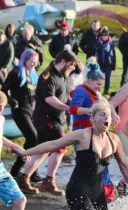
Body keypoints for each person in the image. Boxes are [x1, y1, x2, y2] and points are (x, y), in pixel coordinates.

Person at [15, 99, 128, 210]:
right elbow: (53, 144)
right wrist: (25, 152)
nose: (107, 118)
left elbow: (124, 166)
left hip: (98, 194)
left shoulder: (114, 139)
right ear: (92, 118)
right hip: (78, 191)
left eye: (109, 115)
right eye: (103, 114)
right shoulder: (83, 135)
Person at [16, 50, 77, 196]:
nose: (72, 67)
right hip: (46, 119)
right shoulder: (47, 76)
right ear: (62, 61)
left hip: (57, 118)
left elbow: (65, 94)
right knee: (60, 147)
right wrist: (68, 108)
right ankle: (48, 181)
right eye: (70, 64)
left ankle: (23, 178)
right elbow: (50, 99)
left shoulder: (63, 76)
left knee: (42, 151)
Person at [2, 49, 42, 182]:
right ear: (24, 60)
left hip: (31, 110)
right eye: (31, 62)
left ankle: (30, 172)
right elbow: (3, 90)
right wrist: (11, 100)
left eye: (35, 62)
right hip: (19, 111)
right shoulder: (16, 72)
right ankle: (17, 170)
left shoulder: (33, 73)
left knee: (32, 140)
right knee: (34, 138)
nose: (33, 65)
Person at [0, 91, 28, 210]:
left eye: (2, 107)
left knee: (20, 200)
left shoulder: (1, 119)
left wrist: (14, 145)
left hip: (0, 170)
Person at [70, 62, 103, 131]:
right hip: (81, 130)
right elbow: (73, 109)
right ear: (90, 80)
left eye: (101, 85)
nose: (100, 87)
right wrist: (91, 110)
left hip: (91, 129)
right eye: (98, 84)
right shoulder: (81, 91)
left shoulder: (94, 93)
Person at [96, 27, 116, 96]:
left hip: (108, 64)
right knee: (99, 77)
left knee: (107, 77)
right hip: (100, 63)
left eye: (105, 36)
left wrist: (113, 65)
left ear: (108, 36)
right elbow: (96, 53)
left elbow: (114, 55)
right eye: (102, 36)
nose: (104, 37)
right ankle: (97, 90)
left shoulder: (111, 44)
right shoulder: (98, 43)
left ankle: (106, 91)